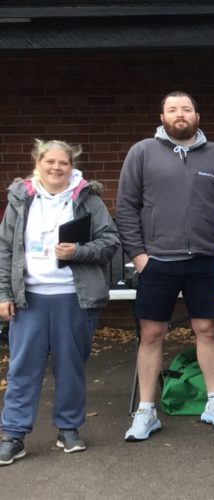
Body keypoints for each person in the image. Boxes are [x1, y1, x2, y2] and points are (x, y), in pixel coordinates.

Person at [116, 91, 214, 440]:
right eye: (173, 109)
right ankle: (146, 411)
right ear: (163, 115)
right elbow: (126, 208)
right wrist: (140, 257)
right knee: (152, 334)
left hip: (205, 260)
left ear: (197, 116)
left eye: (186, 109)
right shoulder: (142, 152)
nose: (179, 114)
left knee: (208, 331)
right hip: (158, 261)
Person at [0, 140, 120, 465]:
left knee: (70, 368)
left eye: (62, 163)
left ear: (72, 165)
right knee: (23, 368)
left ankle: (68, 429)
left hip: (73, 297)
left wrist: (77, 252)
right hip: (30, 299)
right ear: (37, 162)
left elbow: (110, 241)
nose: (56, 168)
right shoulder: (20, 200)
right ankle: (13, 435)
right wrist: (3, 295)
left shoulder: (87, 199)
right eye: (49, 161)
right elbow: (5, 250)